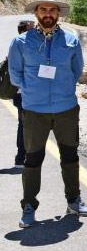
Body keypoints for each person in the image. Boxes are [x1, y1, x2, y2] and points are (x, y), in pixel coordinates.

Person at [9, 0, 87, 228]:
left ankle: (73, 200)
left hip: (66, 107)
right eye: (43, 9)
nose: (48, 14)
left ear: (58, 14)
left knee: (70, 155)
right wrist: (31, 91)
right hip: (34, 110)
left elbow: (76, 70)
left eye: (52, 10)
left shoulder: (70, 40)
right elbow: (15, 75)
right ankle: (28, 206)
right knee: (32, 159)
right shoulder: (21, 42)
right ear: (36, 12)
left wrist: (61, 88)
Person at [12, 19, 34, 168]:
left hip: (28, 94)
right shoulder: (20, 46)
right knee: (24, 125)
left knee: (28, 125)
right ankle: (21, 157)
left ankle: (26, 156)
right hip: (22, 94)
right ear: (24, 30)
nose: (35, 29)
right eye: (32, 27)